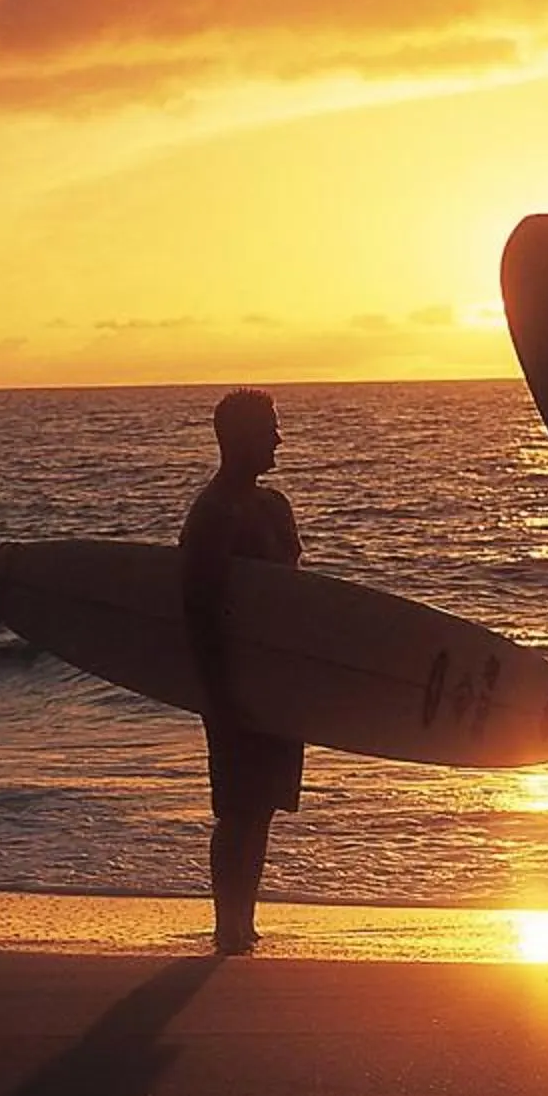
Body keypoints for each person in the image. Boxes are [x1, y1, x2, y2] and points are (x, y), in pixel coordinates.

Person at [180, 388, 303, 955]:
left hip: (279, 681)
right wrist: (218, 692)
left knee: (265, 804)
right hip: (235, 682)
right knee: (236, 807)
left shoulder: (275, 506)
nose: (278, 438)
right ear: (237, 438)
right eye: (268, 428)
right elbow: (199, 609)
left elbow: (296, 596)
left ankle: (245, 920)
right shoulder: (212, 514)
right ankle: (225, 924)